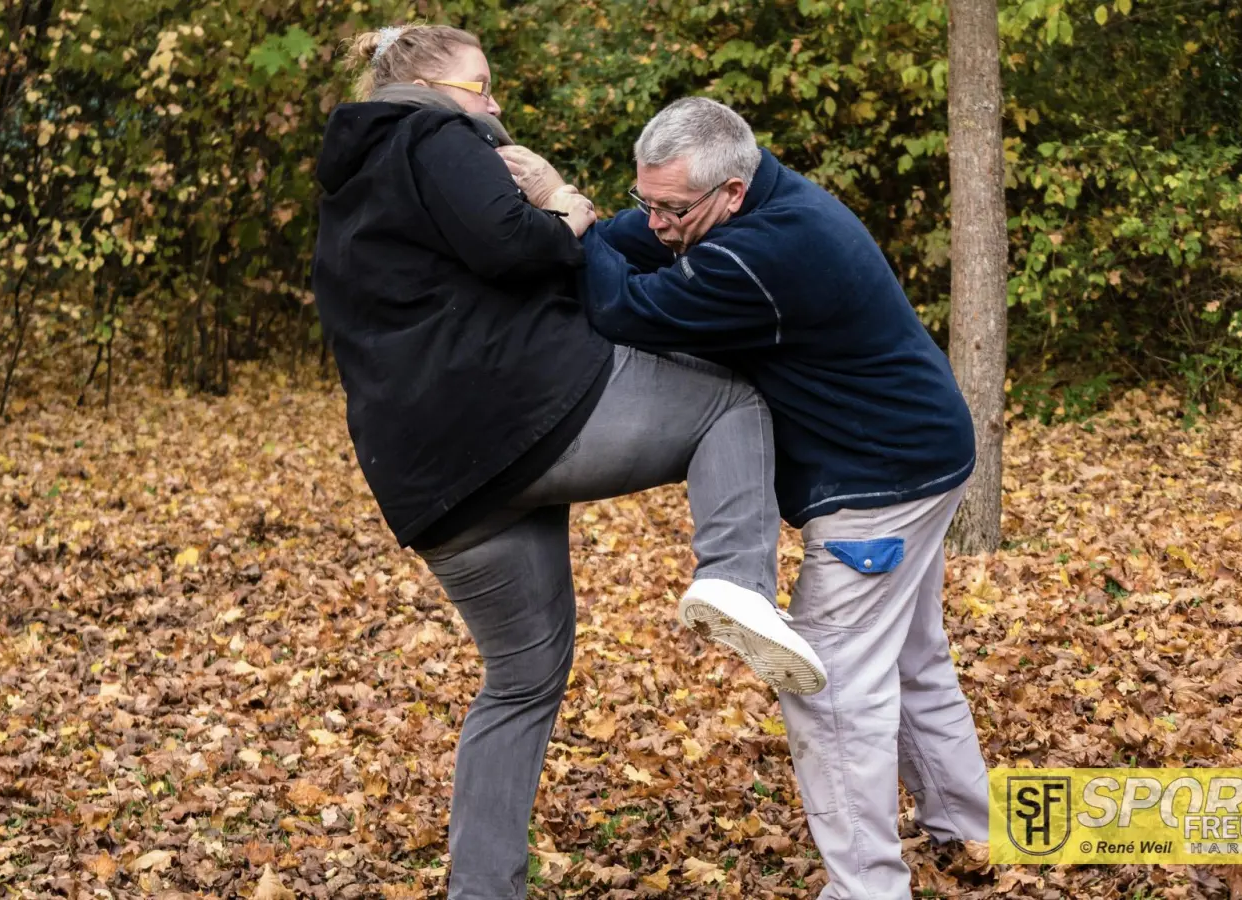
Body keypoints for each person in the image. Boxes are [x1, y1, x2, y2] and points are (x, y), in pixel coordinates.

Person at [309, 28, 827, 899]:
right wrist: (573, 214)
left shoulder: (350, 186)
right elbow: (515, 243)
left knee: (520, 679)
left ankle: (482, 889)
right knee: (730, 402)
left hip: (434, 481)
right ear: (432, 86)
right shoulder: (435, 135)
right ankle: (737, 576)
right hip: (522, 413)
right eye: (481, 86)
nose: (494, 103)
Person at [501, 97, 992, 899]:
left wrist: (568, 215)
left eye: (672, 209)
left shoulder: (768, 255)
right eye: (645, 201)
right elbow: (623, 244)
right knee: (910, 659)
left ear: (731, 192)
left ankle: (867, 887)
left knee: (829, 680)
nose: (655, 223)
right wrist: (579, 219)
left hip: (881, 482)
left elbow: (626, 309)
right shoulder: (745, 204)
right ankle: (970, 830)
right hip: (922, 452)